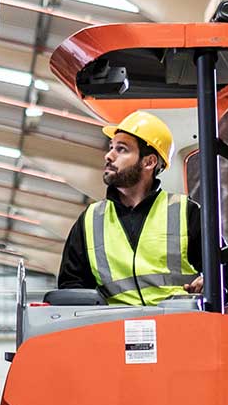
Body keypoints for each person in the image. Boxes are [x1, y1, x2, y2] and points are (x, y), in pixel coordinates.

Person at [56, 110, 205, 305]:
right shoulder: (90, 220)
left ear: (149, 162)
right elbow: (71, 288)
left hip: (178, 329)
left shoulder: (186, 213)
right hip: (114, 332)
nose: (109, 156)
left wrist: (210, 283)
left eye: (122, 149)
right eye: (111, 148)